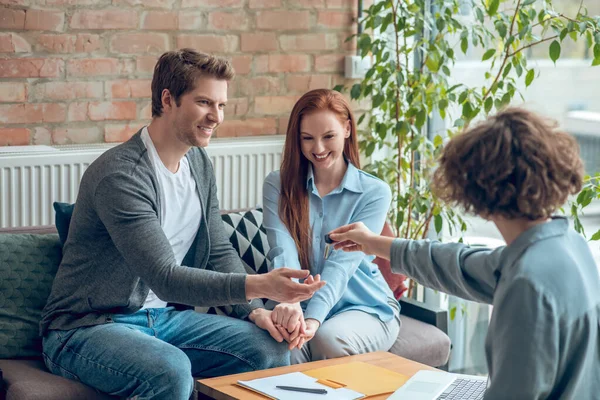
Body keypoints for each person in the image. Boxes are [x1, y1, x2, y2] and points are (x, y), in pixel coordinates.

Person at [39, 49, 325, 400]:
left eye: (221, 105)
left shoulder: (199, 164)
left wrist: (255, 312)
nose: (216, 116)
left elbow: (218, 249)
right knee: (169, 370)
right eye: (205, 102)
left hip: (163, 320)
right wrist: (261, 285)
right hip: (87, 327)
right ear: (168, 99)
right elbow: (166, 277)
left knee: (268, 349)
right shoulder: (121, 175)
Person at [329, 107, 600, 399]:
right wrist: (373, 242)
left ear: (478, 191)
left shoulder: (527, 284)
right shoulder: (565, 244)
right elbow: (459, 265)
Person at [262, 89, 401, 364]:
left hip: (364, 307)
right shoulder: (277, 185)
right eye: (307, 138)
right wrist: (290, 304)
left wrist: (312, 319)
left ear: (347, 129)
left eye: (328, 136)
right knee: (281, 346)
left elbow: (342, 265)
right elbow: (282, 250)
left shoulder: (374, 192)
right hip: (297, 301)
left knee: (327, 338)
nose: (318, 149)